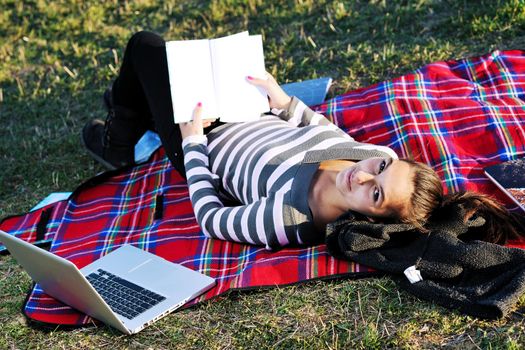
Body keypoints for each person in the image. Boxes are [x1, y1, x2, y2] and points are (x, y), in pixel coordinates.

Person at [82, 31, 524, 249]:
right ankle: (136, 106)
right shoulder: (372, 156)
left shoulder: (290, 219)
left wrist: (193, 141)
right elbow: (319, 128)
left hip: (204, 140)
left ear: (370, 217)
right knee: (183, 60)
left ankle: (121, 138)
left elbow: (212, 218)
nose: (365, 175)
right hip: (247, 110)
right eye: (382, 170)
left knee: (146, 47)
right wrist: (280, 98)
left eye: (374, 194)